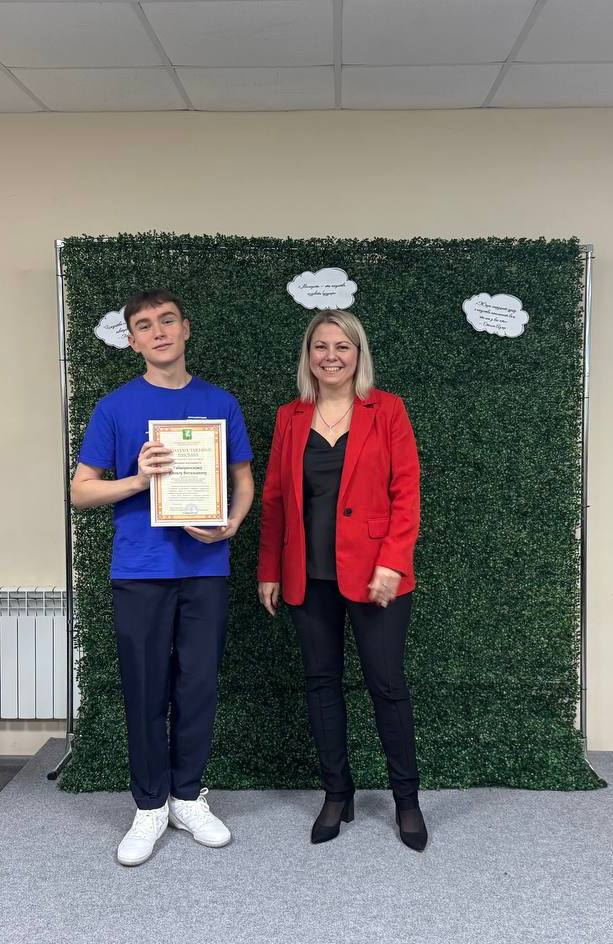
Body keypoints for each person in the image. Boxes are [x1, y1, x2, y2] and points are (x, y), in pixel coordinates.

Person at [71, 289, 254, 866]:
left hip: (205, 569)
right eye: (145, 325)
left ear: (185, 328)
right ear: (133, 341)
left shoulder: (219, 403)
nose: (159, 332)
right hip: (140, 571)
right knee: (146, 688)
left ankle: (188, 797)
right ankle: (149, 805)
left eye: (167, 320)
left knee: (198, 687)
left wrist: (231, 524)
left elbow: (243, 480)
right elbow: (80, 491)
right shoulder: (115, 407)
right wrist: (137, 480)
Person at [257, 310, 427, 851]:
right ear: (308, 355)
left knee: (387, 685)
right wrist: (268, 569)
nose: (331, 356)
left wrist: (392, 562)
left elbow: (406, 492)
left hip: (378, 575)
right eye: (321, 346)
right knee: (321, 683)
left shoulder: (388, 409)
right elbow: (276, 500)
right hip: (308, 575)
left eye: (342, 347)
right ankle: (337, 792)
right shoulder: (289, 417)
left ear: (358, 354)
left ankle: (406, 800)